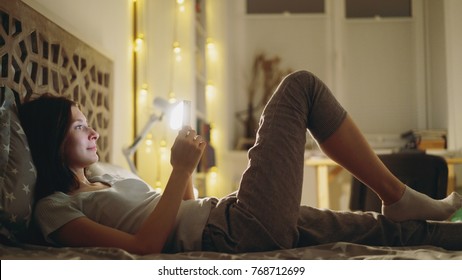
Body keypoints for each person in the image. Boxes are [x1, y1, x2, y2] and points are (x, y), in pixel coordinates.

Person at [19, 70, 462, 255]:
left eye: (87, 123)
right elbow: (143, 249)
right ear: (49, 138)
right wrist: (179, 170)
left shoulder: (106, 172)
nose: (92, 131)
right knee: (300, 87)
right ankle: (399, 195)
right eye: (78, 127)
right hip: (229, 231)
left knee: (372, 228)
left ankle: (433, 223)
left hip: (223, 214)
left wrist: (185, 174)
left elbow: (174, 211)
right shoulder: (54, 207)